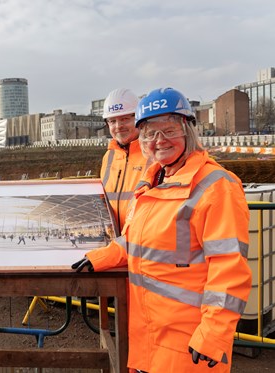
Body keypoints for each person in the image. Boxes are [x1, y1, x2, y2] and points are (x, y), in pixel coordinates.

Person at [73, 88, 252, 372]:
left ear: (188, 131)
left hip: (188, 341)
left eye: (169, 131)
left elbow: (229, 267)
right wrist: (102, 257)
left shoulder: (216, 186)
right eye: (150, 134)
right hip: (149, 334)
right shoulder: (152, 182)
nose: (159, 141)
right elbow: (138, 240)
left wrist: (214, 332)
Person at [100, 88, 150, 232]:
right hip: (115, 244)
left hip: (142, 243)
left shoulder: (154, 154)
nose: (118, 126)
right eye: (112, 121)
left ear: (139, 118)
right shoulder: (108, 157)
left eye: (125, 119)